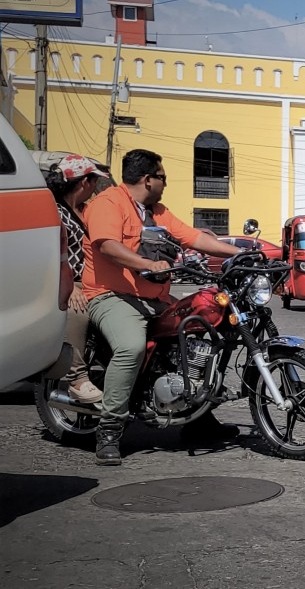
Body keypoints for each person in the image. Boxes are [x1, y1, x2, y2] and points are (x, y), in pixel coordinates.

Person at [82, 149, 243, 465]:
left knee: (198, 331)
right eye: (162, 178)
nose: (165, 184)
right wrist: (146, 264)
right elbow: (108, 245)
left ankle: (196, 419)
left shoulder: (157, 211)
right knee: (131, 347)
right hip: (111, 295)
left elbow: (194, 237)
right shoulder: (108, 204)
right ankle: (110, 430)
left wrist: (238, 253)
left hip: (154, 299)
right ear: (147, 179)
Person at [45, 155, 108, 404]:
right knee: (78, 312)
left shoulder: (84, 211)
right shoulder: (54, 212)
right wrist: (70, 288)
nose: (96, 188)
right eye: (94, 182)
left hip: (94, 281)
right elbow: (52, 254)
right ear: (84, 183)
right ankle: (77, 378)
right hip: (69, 283)